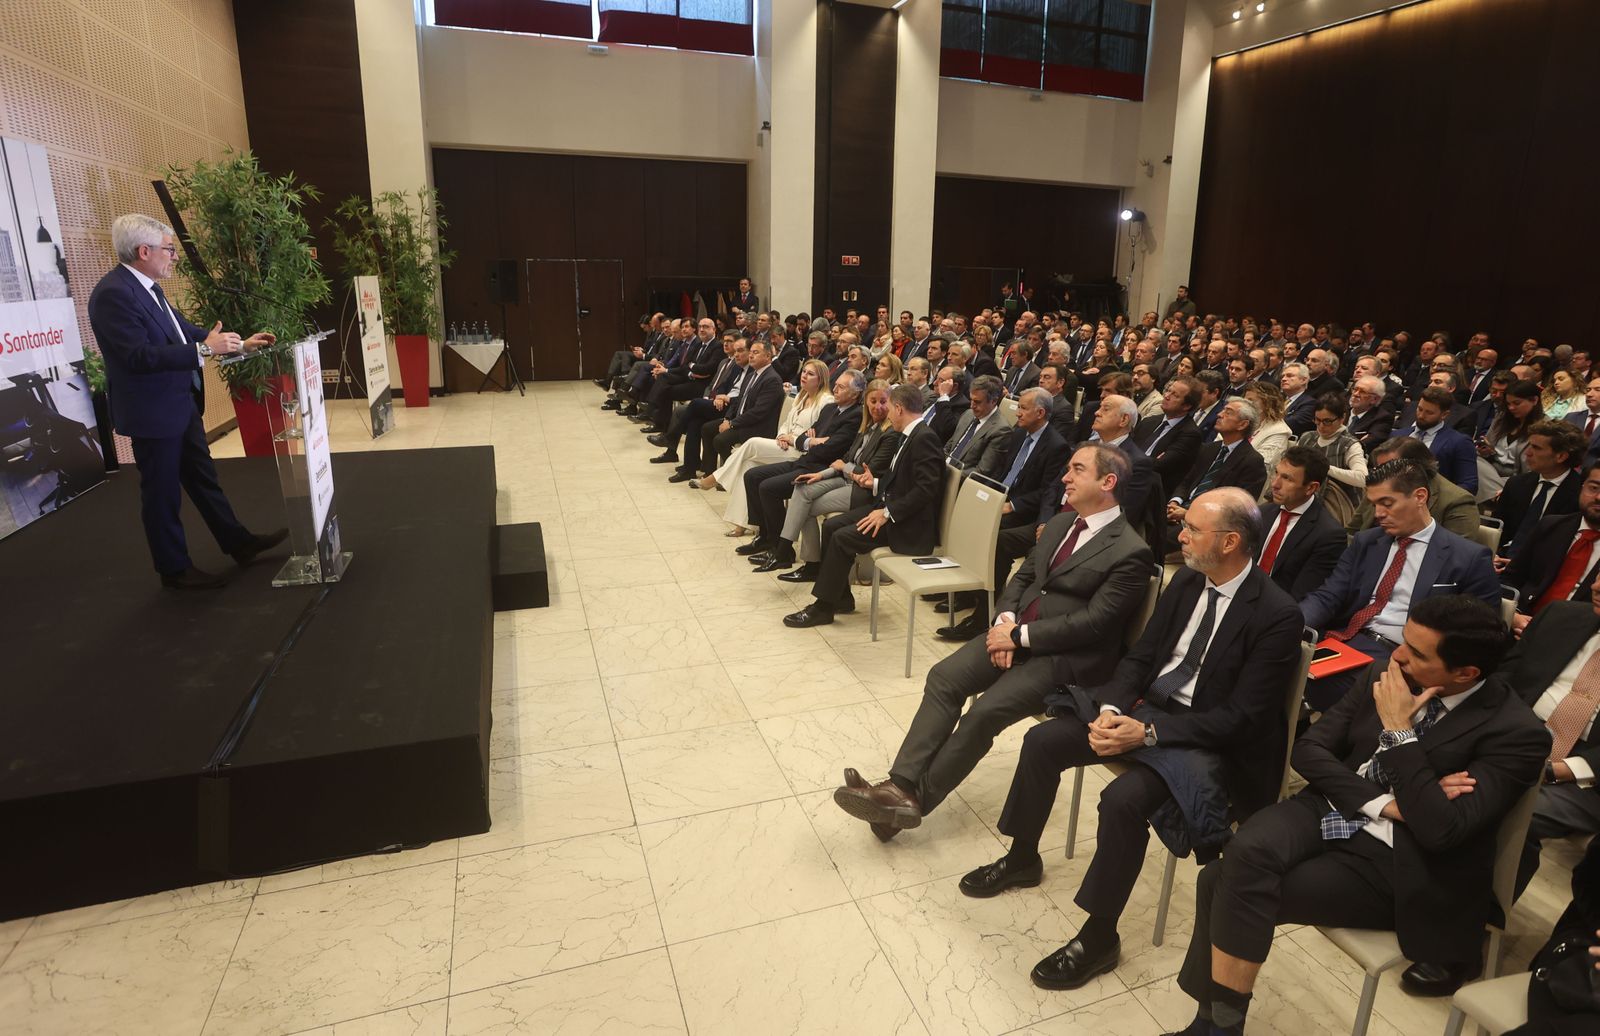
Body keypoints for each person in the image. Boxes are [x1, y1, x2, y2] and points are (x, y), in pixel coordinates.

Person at [965, 487, 1302, 991]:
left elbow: (1242, 719)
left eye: (1193, 529)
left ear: (1230, 541)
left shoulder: (1276, 613)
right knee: (1043, 742)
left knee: (1122, 800)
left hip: (1208, 740)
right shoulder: (1188, 581)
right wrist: (1111, 710)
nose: (1180, 535)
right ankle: (1022, 857)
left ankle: (1100, 936)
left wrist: (1147, 733)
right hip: (1150, 709)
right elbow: (1142, 657)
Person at [1169, 596, 1549, 1032]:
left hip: (1401, 859)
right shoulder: (1385, 672)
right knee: (1243, 853)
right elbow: (1310, 750)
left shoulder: (1515, 733)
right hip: (1337, 805)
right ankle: (1220, 1026)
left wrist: (1400, 733)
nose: (1398, 655)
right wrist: (1387, 801)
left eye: (1417, 654)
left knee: (1218, 882)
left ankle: (1213, 1026)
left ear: (1466, 674)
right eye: (1403, 640)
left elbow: (1440, 830)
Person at [832, 445, 1153, 840]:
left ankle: (904, 804)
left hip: (1065, 660)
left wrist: (1017, 637)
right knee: (944, 678)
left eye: (1077, 470)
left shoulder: (1130, 551)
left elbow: (1095, 623)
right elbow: (1024, 578)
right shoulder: (1060, 524)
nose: (1065, 477)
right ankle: (899, 789)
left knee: (984, 712)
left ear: (1108, 482)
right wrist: (1005, 621)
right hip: (1015, 632)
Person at [86, 213, 285, 589]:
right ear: (144, 251)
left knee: (204, 479)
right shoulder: (113, 294)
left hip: (179, 404)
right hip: (151, 411)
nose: (175, 257)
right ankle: (174, 569)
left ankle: (238, 543)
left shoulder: (148, 288)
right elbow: (137, 356)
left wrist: (237, 345)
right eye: (169, 249)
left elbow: (183, 332)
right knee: (162, 493)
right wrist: (204, 350)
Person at [1300, 459, 1500, 709]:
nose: (1378, 514)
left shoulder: (1467, 557)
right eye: (1374, 504)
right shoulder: (1366, 542)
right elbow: (1329, 594)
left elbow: (1481, 633)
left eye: (1387, 503)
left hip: (1405, 654)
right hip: (1346, 639)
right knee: (1276, 660)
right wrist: (1290, 625)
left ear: (1419, 497)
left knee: (1310, 684)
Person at [782, 384, 945, 627]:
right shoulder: (911, 434)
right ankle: (841, 598)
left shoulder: (924, 438)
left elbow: (926, 489)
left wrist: (887, 513)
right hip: (891, 508)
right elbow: (903, 480)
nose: (887, 414)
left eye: (890, 409)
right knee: (831, 526)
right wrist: (875, 483)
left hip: (907, 523)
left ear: (899, 409)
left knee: (842, 538)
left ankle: (823, 608)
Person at [702, 357, 832, 503]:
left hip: (801, 451)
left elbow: (817, 434)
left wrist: (792, 439)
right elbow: (786, 423)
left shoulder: (826, 401)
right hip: (785, 444)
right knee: (747, 466)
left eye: (810, 374)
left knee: (753, 443)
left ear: (821, 380)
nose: (804, 376)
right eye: (804, 372)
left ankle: (717, 477)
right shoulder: (801, 397)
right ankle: (744, 517)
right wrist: (782, 435)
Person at [1503, 462, 1600, 628]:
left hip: (1578, 634)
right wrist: (1514, 615)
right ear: (1582, 488)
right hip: (1521, 620)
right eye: (1594, 488)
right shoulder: (1551, 526)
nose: (1598, 497)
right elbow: (1511, 578)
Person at [1256, 446, 1347, 602]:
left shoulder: (1328, 535)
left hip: (1274, 607)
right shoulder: (1263, 513)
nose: (1275, 484)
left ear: (1311, 488)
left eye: (1287, 478)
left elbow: (1302, 595)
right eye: (1277, 473)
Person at [1346, 436, 1480, 539]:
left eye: (1390, 468)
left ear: (1417, 466)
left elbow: (1454, 555)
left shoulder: (1458, 501)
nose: (1382, 475)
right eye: (1380, 468)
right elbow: (1351, 532)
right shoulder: (1379, 488)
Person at [1494, 420, 1584, 557]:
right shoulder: (1516, 484)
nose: (1527, 453)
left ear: (1561, 456)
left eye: (1536, 448)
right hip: (1500, 556)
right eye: (1529, 445)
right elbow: (1496, 528)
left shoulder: (1580, 495)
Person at [1396, 386, 1481, 494]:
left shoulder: (1459, 442)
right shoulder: (1397, 435)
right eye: (1420, 409)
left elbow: (1469, 484)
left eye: (1429, 413)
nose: (1421, 416)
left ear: (1444, 415)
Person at [1132, 375, 1203, 496]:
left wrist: (1129, 458)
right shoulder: (1149, 421)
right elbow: (1127, 449)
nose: (1166, 396)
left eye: (1175, 395)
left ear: (1186, 406)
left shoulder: (1190, 434)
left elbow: (1160, 466)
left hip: (1151, 491)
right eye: (1169, 391)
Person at [1242, 381, 1291, 488]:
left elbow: (1261, 465)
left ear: (1267, 403)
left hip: (1252, 483)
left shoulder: (1279, 431)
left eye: (1251, 401)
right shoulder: (1242, 421)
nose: (1245, 405)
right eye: (1245, 400)